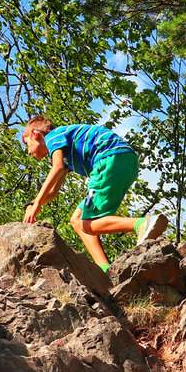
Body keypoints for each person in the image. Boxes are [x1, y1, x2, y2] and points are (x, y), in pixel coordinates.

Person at [21, 115, 168, 272]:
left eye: (27, 144)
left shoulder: (52, 137)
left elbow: (56, 167)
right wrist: (33, 205)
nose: (28, 152)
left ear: (36, 134)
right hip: (126, 161)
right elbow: (52, 191)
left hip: (107, 158)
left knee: (87, 223)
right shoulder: (65, 155)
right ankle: (104, 269)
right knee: (77, 220)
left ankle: (141, 224)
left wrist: (37, 203)